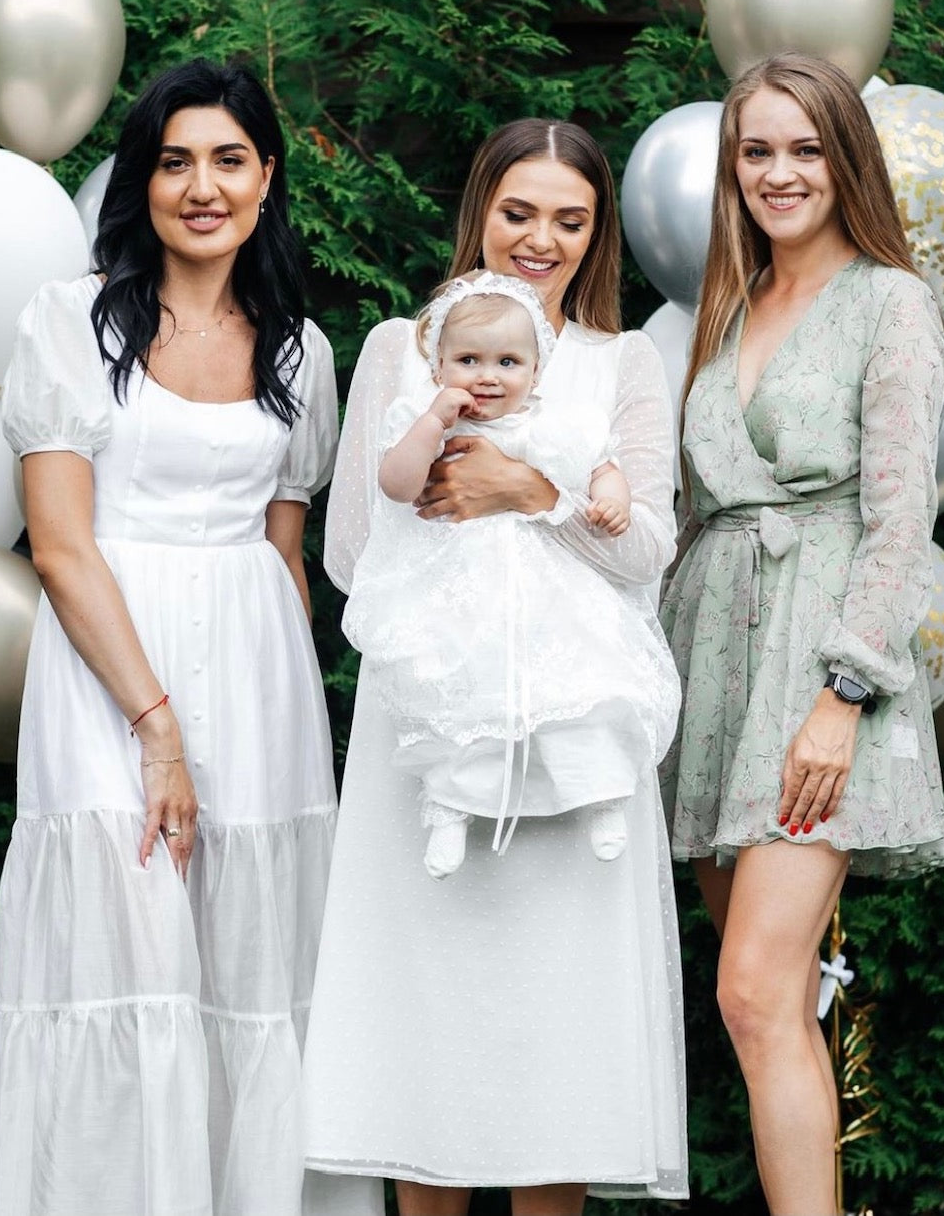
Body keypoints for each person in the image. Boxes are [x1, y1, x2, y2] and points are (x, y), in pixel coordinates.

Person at [0, 60, 380, 1216]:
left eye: (228, 160)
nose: (202, 187)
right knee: (126, 962)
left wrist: (282, 720)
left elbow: (284, 556)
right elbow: (60, 548)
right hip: (109, 685)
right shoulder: (69, 323)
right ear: (141, 183)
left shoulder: (300, 353)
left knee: (251, 972)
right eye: (174, 161)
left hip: (256, 688)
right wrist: (157, 729)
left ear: (266, 178)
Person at [305, 119, 688, 1216]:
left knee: (553, 1036)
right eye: (518, 212)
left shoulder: (622, 362)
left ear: (597, 233)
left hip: (571, 720)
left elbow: (646, 550)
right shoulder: (404, 349)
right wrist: (449, 565)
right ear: (479, 209)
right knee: (423, 1027)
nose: (540, 240)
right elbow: (348, 551)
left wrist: (531, 496)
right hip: (430, 725)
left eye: (571, 220)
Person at [659, 53, 944, 1216]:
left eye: (804, 148)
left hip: (822, 663)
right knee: (764, 1005)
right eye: (755, 151)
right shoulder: (724, 307)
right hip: (714, 661)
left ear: (845, 160)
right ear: (730, 168)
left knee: (750, 991)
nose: (778, 173)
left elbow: (897, 517)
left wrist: (842, 696)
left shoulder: (889, 300)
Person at [342, 268, 679, 879]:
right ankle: (449, 809)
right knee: (462, 704)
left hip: (549, 597)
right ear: (438, 367)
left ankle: (602, 797)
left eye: (508, 362)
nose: (488, 377)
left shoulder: (553, 424)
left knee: (582, 690)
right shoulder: (424, 420)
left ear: (536, 372)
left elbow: (601, 466)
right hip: (464, 597)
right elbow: (396, 484)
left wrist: (613, 498)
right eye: (467, 360)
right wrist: (433, 421)